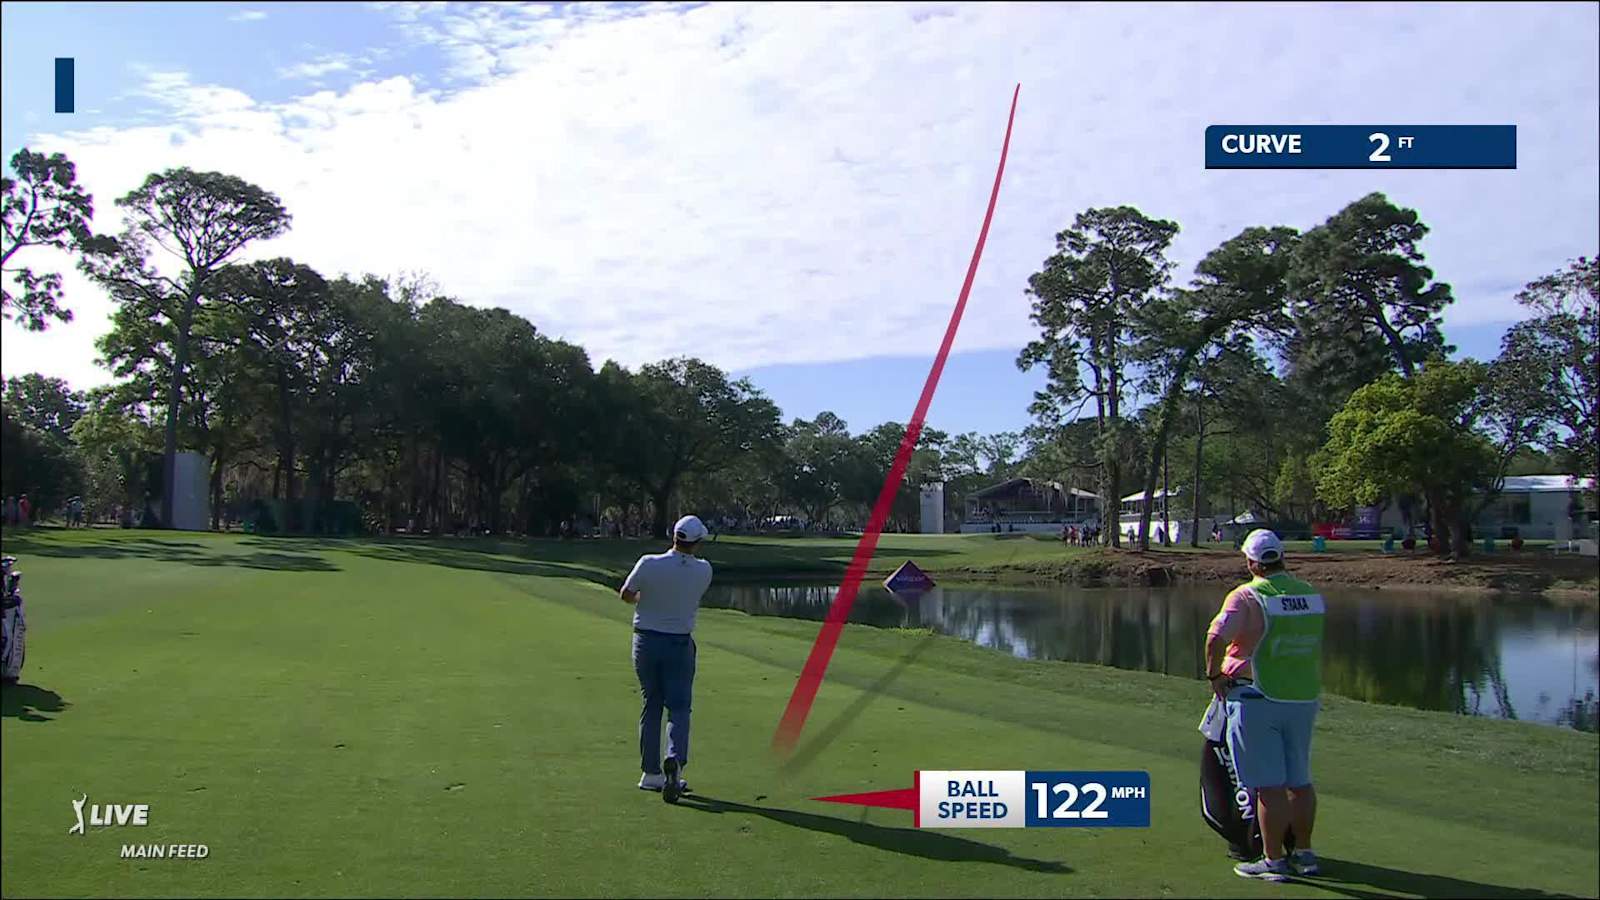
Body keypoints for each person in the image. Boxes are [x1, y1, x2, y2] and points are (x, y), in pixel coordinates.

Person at [1204, 529, 1325, 882]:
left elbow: (1215, 638)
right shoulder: (1310, 594)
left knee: (1269, 785)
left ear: (1251, 561)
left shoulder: (1247, 596)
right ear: (1282, 557)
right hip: (1302, 697)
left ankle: (1273, 861)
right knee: (1299, 781)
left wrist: (1214, 677)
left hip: (1258, 695)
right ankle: (1304, 853)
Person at [620, 514, 714, 803]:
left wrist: (645, 601)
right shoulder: (704, 570)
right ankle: (674, 759)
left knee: (652, 704)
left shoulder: (648, 563)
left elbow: (626, 594)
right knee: (679, 707)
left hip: (646, 641)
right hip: (679, 644)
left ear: (674, 537)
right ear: (696, 543)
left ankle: (651, 774)